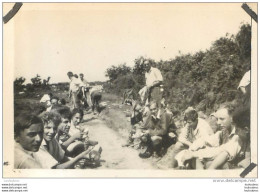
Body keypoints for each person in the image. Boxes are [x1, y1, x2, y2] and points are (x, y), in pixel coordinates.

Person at [180, 106, 250, 169]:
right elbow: (207, 141)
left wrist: (243, 174)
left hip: (238, 168)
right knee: (199, 160)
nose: (218, 123)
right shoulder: (224, 132)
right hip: (242, 169)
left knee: (210, 164)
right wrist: (192, 151)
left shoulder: (240, 135)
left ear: (231, 119)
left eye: (222, 119)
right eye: (217, 119)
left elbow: (224, 152)